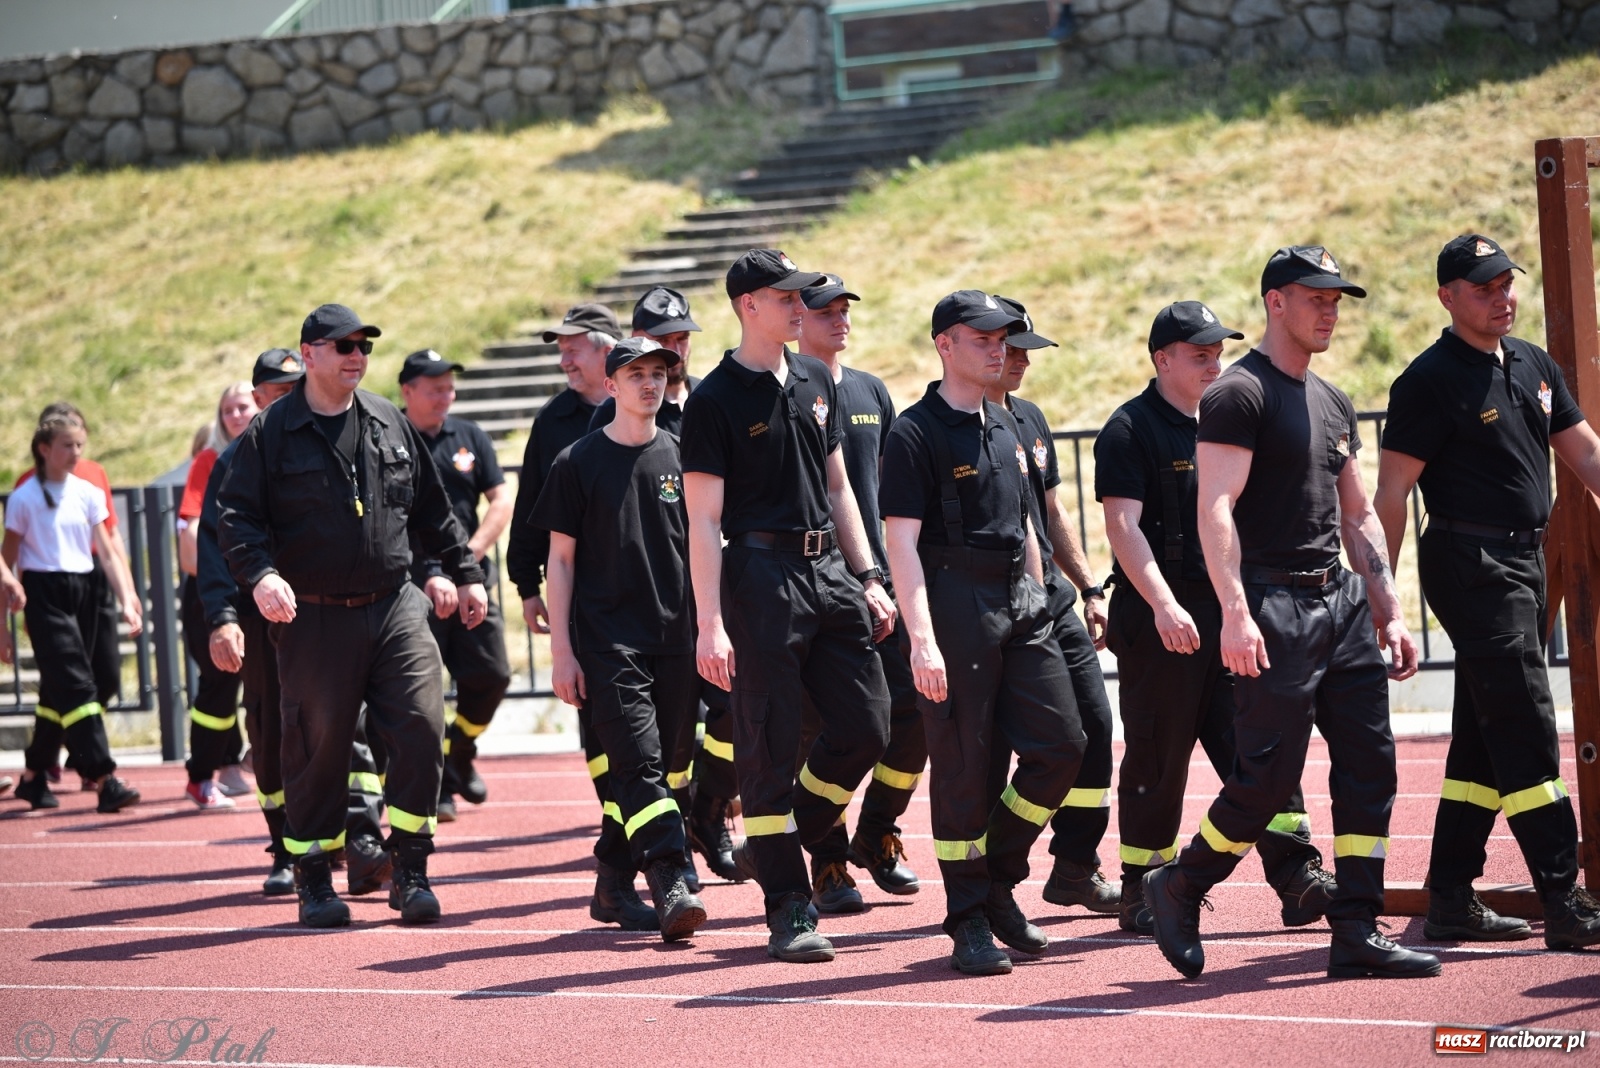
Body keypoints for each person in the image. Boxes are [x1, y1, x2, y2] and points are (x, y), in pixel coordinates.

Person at [1145, 245, 1439, 981]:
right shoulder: (1238, 394)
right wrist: (1235, 612)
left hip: (1340, 602)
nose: (1330, 311)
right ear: (1276, 302)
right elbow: (1215, 506)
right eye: (1317, 298)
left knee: (1370, 767)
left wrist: (1389, 609)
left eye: (1337, 300)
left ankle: (1357, 927)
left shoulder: (1332, 400)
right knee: (1268, 782)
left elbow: (1358, 513)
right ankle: (1181, 883)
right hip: (1273, 605)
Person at [218, 304, 488, 929]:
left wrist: (464, 572)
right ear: (309, 354)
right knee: (316, 750)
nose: (356, 356)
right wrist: (261, 575)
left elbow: (433, 510)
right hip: (314, 617)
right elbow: (236, 518)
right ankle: (314, 878)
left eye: (364, 346)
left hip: (394, 605)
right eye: (343, 346)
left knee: (421, 723)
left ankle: (411, 870)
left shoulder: (388, 420)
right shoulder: (271, 432)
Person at [1375, 234, 1600, 950]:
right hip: (1470, 565)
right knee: (1527, 723)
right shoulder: (1426, 381)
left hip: (1525, 561)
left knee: (1483, 731)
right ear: (1447, 297)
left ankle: (1449, 896)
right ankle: (1564, 899)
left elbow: (1586, 453)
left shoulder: (1533, 362)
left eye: (1507, 284)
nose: (1502, 298)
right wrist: (1385, 602)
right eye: (1483, 289)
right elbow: (1390, 495)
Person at [681, 248, 894, 963]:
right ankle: (789, 906)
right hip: (760, 577)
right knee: (768, 748)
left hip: (830, 570)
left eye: (803, 296)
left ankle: (788, 829)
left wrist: (868, 576)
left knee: (869, 725)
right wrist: (710, 623)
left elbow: (838, 487)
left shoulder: (813, 378)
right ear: (749, 306)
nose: (801, 307)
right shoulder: (714, 400)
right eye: (787, 297)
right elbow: (704, 521)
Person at [1096, 300, 1332, 935]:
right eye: (1200, 355)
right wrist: (1163, 604)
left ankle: (1298, 874)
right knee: (1157, 760)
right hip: (1162, 619)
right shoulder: (1129, 429)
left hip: (1228, 614)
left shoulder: (1228, 421)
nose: (1214, 366)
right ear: (1162, 360)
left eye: (1218, 354)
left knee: (1262, 745)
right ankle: (1143, 886)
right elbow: (1122, 526)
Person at [880, 290, 1087, 976]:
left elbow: (1027, 522)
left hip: (1019, 600)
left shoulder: (1006, 424)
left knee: (1063, 745)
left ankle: (997, 877)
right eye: (983, 338)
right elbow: (901, 545)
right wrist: (922, 639)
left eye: (1003, 338)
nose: (999, 349)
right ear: (945, 345)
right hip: (953, 602)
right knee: (965, 769)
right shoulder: (914, 433)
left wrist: (1044, 595)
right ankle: (969, 916)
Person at [534, 336, 708, 941]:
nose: (650, 383)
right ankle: (672, 876)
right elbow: (559, 563)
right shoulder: (575, 462)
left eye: (658, 372)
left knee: (655, 769)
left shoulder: (683, 455)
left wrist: (713, 627)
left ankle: (612, 879)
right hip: (609, 643)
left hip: (677, 638)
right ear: (610, 386)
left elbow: (704, 546)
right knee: (639, 762)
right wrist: (562, 652)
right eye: (636, 374)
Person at [794, 272, 924, 911]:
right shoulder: (787, 391)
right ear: (797, 318)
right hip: (815, 581)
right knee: (826, 727)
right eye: (827, 311)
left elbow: (892, 486)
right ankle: (827, 858)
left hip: (882, 580)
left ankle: (877, 831)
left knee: (915, 714)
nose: (840, 320)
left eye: (845, 310)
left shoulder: (871, 390)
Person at [987, 296, 1119, 917]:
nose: (1022, 362)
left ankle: (1075, 866)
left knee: (1096, 728)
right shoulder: (943, 424)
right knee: (1035, 749)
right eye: (1013, 350)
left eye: (1026, 352)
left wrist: (1090, 588)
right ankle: (992, 870)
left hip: (1055, 601)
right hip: (995, 610)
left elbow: (1053, 513)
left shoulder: (1031, 418)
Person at [6, 414, 143, 813]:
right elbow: (6, 557)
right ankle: (104, 778)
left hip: (84, 589)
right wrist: (4, 623)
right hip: (44, 594)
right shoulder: (24, 497)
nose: (76, 453)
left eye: (80, 445)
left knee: (64, 687)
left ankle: (33, 776)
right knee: (78, 685)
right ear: (44, 449)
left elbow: (108, 552)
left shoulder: (87, 492)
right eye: (67, 445)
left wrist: (127, 598)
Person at [400, 349, 514, 823]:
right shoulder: (391, 436)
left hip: (471, 583)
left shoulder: (470, 436)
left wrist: (465, 561)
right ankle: (437, 785)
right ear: (407, 391)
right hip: (411, 589)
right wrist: (430, 572)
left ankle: (459, 752)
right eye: (435, 388)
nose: (445, 396)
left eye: (449, 387)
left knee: (493, 675)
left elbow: (501, 500)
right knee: (420, 696)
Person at [177, 382, 258, 809]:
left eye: (242, 407)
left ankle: (234, 764)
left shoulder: (269, 453)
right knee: (220, 683)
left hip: (252, 585)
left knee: (255, 681)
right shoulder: (210, 460)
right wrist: (212, 573)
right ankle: (200, 777)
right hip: (215, 590)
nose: (236, 415)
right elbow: (191, 530)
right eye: (228, 410)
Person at [588, 286, 702, 436]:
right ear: (635, 337)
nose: (677, 351)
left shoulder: (708, 395)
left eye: (682, 338)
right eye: (663, 340)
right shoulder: (613, 412)